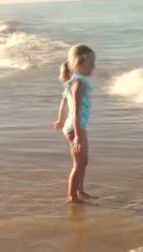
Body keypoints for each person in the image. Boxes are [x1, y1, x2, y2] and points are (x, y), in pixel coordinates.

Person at [53, 44, 96, 203]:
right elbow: (76, 109)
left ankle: (80, 190)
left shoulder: (72, 82)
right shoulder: (79, 84)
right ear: (81, 63)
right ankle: (72, 196)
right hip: (76, 128)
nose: (94, 67)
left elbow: (63, 102)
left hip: (75, 126)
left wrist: (60, 119)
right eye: (91, 63)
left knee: (84, 161)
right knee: (79, 164)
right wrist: (78, 134)